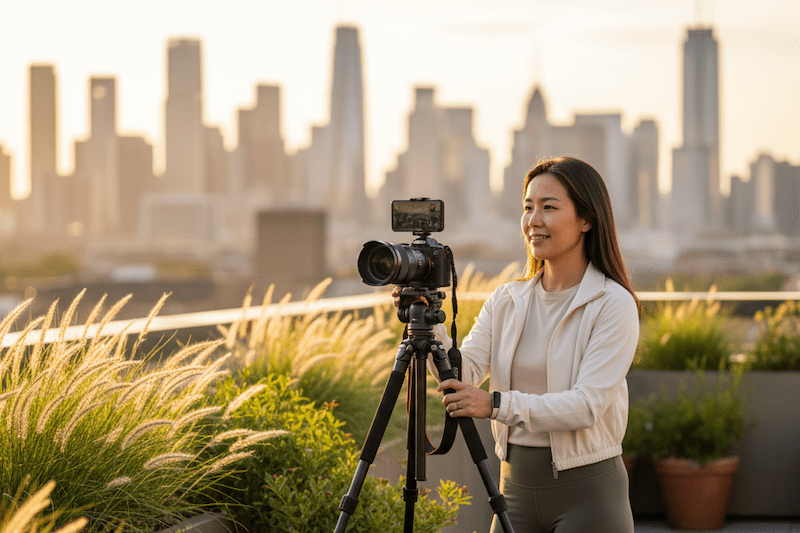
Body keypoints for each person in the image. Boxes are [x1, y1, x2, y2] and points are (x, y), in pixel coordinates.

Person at [392, 156, 640, 533]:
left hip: (588, 494)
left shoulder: (612, 304)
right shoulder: (508, 299)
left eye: (549, 207)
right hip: (514, 489)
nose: (533, 220)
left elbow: (587, 406)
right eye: (528, 207)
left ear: (587, 219)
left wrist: (494, 404)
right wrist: (427, 325)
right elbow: (463, 371)